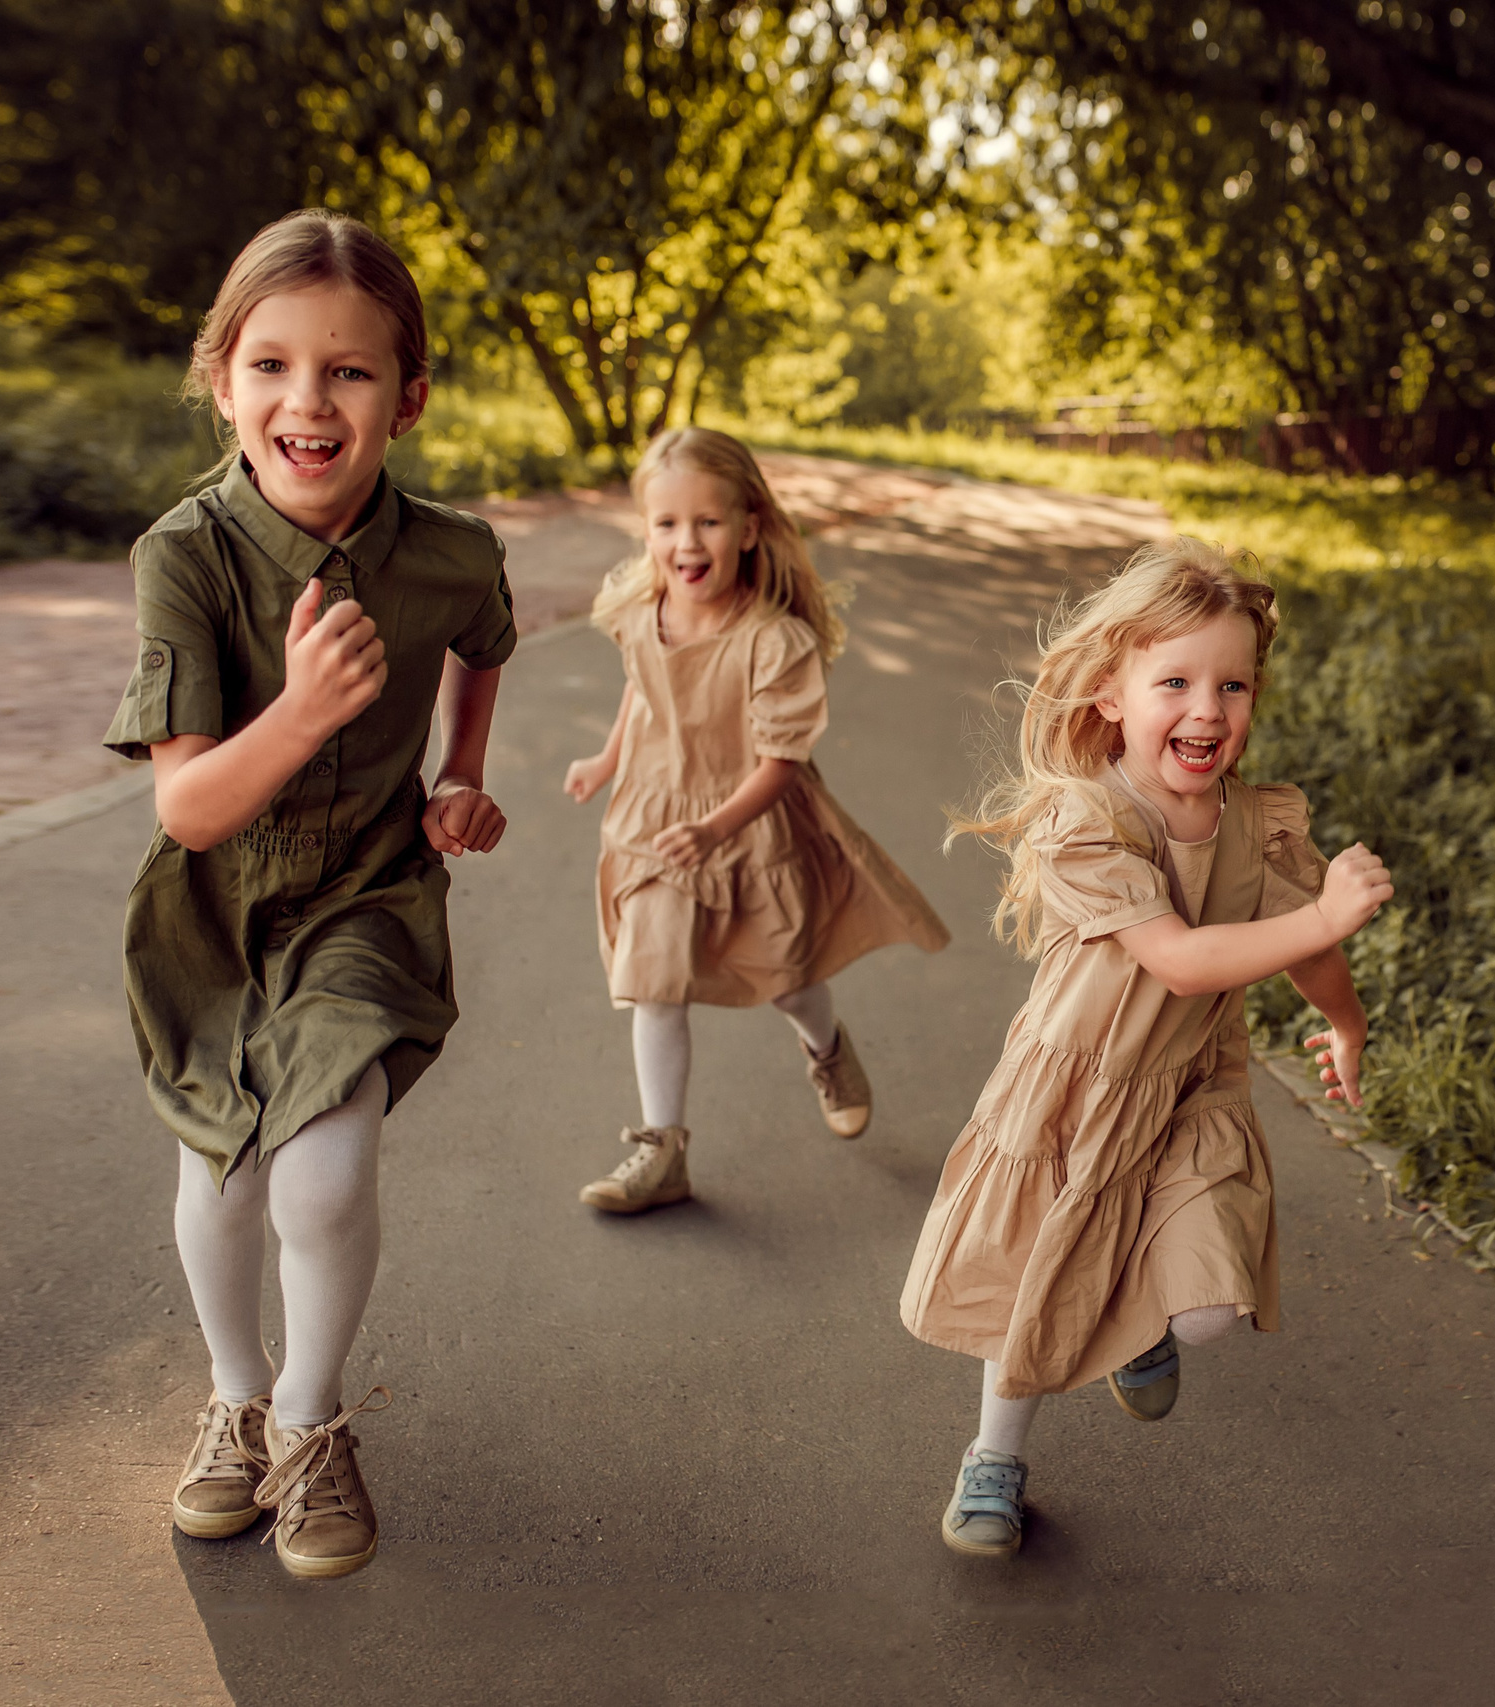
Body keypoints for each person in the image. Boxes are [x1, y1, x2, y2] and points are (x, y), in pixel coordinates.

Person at [103, 208, 516, 1580]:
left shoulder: (450, 549)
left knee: (324, 1173)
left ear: (408, 395)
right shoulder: (185, 557)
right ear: (223, 379)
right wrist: (303, 711)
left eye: (347, 370)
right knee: (222, 1175)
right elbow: (187, 803)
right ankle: (232, 1395)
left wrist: (458, 770)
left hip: (367, 898)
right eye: (271, 363)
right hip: (216, 909)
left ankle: (310, 1413)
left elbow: (483, 638)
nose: (308, 399)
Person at [899, 538, 1392, 1558]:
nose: (1208, 710)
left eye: (1233, 685)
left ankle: (1146, 1327)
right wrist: (1327, 920)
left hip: (1190, 1090)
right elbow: (1181, 960)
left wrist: (1344, 1018)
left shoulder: (1258, 827)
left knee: (1212, 1305)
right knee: (1043, 1275)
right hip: (1076, 1087)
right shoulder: (1088, 821)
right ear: (1109, 695)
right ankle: (993, 1457)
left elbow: (1300, 950)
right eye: (1174, 681)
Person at [564, 426, 949, 1212]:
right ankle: (661, 1149)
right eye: (666, 523)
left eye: (707, 521)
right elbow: (645, 686)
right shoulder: (643, 609)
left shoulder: (773, 641)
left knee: (788, 978)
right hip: (656, 815)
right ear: (646, 530)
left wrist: (715, 827)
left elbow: (780, 764)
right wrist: (606, 760)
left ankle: (826, 1046)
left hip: (750, 820)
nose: (686, 542)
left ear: (748, 526)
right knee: (654, 980)